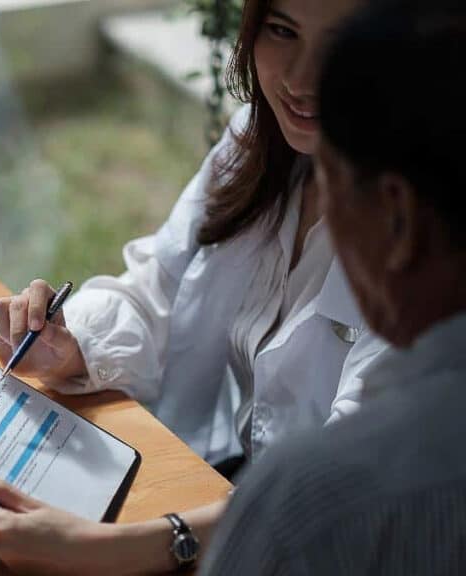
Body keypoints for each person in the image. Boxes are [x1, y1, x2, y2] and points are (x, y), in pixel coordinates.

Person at [0, 0, 384, 573]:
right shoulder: (260, 145)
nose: (298, 79)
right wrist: (69, 344)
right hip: (236, 502)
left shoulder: (431, 233)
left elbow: (355, 484)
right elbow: (159, 286)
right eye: (282, 30)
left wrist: (125, 547)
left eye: (342, 44)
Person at [201, 1, 466, 573]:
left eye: (336, 188)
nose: (300, 80)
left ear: (396, 214)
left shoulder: (316, 500)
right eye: (281, 30)